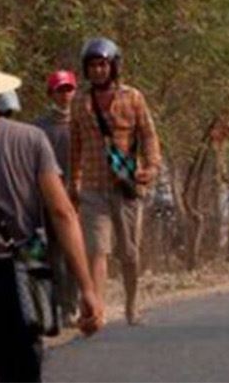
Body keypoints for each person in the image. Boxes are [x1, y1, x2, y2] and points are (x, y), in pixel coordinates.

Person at [0, 43, 104, 380]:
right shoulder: (32, 139)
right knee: (24, 368)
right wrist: (88, 289)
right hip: (29, 267)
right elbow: (63, 212)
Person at [69, 36, 161, 327]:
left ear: (113, 66)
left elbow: (148, 135)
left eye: (103, 65)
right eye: (93, 66)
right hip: (93, 190)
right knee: (97, 250)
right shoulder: (80, 103)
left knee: (129, 254)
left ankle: (132, 305)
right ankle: (97, 309)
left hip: (126, 186)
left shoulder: (133, 97)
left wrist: (151, 167)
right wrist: (74, 182)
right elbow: (75, 145)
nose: (98, 71)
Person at [34, 70, 79, 327]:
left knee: (74, 254)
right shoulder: (38, 129)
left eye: (68, 89)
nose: (65, 95)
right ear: (51, 93)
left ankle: (71, 307)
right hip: (48, 199)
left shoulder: (84, 123)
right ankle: (55, 310)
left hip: (77, 198)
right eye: (60, 90)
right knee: (53, 256)